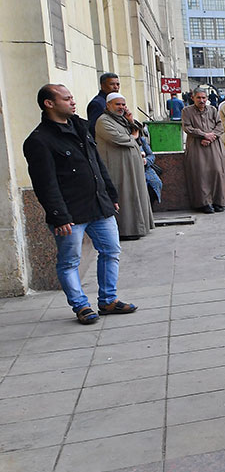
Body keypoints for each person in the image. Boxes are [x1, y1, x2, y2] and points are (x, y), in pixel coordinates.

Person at [24, 84, 138, 325]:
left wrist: (110, 194)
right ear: (49, 104)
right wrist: (59, 215)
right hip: (70, 212)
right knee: (69, 262)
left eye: (72, 97)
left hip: (99, 205)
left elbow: (96, 163)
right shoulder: (39, 140)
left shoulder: (80, 126)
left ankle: (108, 300)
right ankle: (81, 306)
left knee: (111, 251)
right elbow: (45, 184)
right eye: (66, 99)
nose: (73, 102)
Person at [93, 93, 154, 239]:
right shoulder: (103, 121)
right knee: (125, 196)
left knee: (137, 194)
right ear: (108, 105)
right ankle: (127, 231)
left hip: (133, 166)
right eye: (117, 104)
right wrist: (133, 136)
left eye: (122, 104)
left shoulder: (122, 120)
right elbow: (119, 139)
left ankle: (139, 227)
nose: (121, 107)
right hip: (118, 167)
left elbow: (141, 136)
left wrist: (131, 120)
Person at [181, 89, 225, 214]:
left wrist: (210, 137)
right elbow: (187, 127)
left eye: (203, 98)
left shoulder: (213, 110)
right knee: (200, 174)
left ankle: (218, 201)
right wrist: (203, 135)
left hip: (214, 145)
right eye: (198, 98)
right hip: (197, 146)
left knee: (218, 171)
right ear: (193, 98)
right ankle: (204, 203)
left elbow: (220, 126)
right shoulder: (187, 111)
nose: (201, 100)